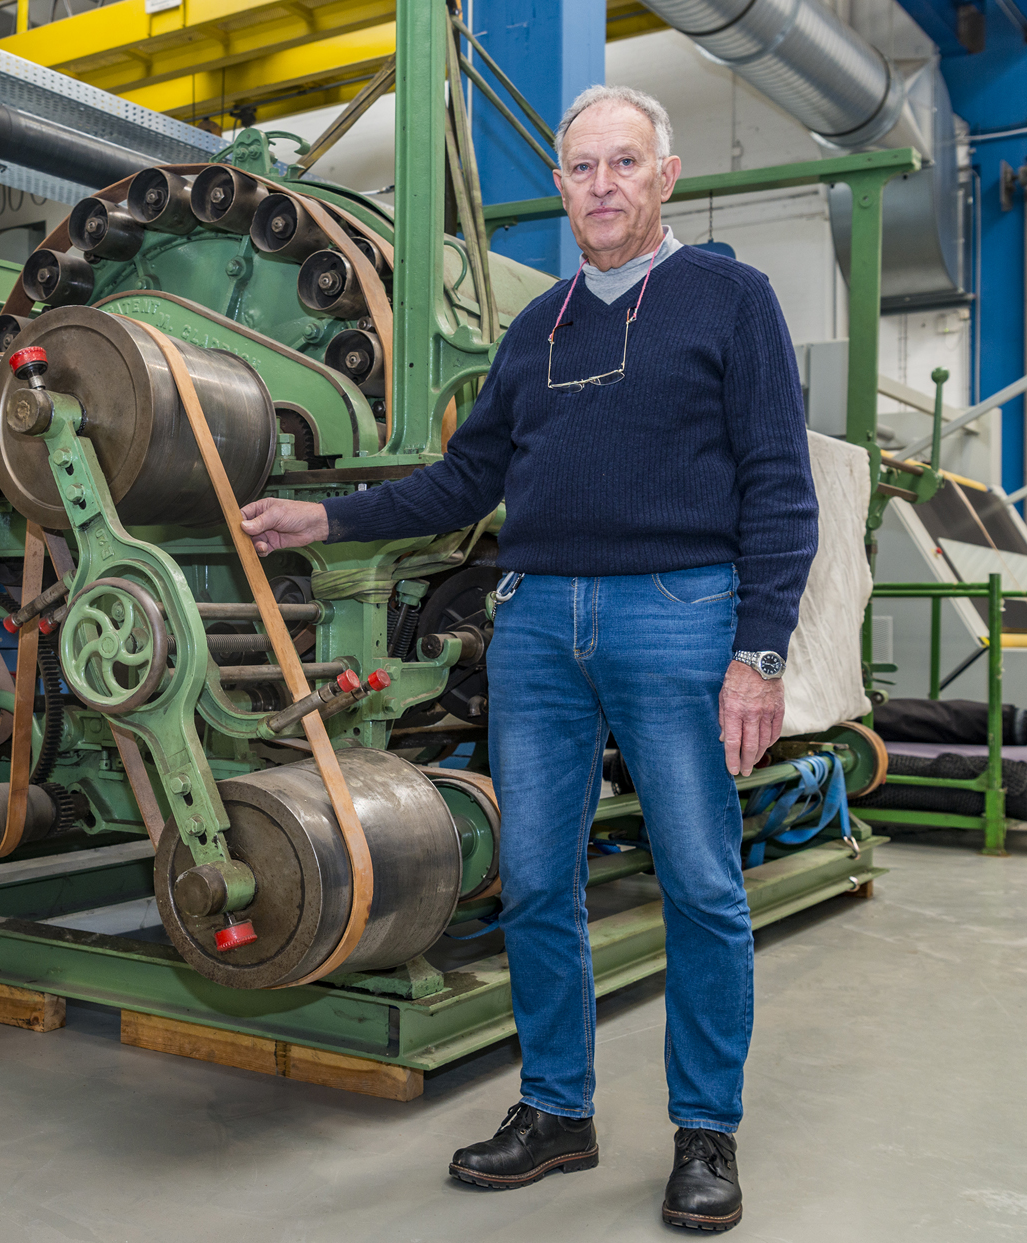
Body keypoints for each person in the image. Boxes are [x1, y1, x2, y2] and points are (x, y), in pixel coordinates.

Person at [239, 85, 816, 1232]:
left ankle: (704, 1130)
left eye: (622, 165)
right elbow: (465, 482)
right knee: (537, 879)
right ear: (557, 187)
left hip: (676, 611)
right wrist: (327, 520)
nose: (599, 186)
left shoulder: (727, 300)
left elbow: (777, 486)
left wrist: (758, 650)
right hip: (539, 623)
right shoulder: (537, 326)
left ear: (665, 176)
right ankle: (557, 1110)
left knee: (699, 881)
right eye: (580, 168)